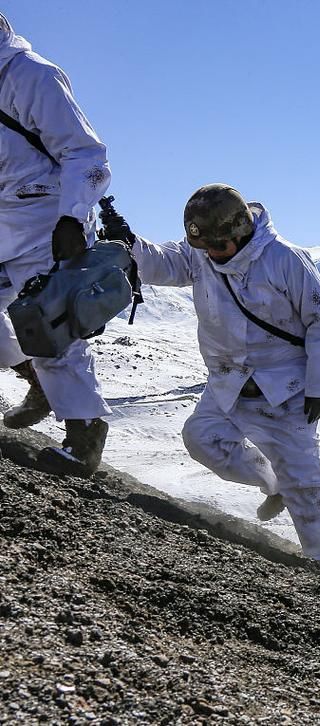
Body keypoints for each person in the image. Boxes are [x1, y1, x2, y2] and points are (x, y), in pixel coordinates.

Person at [133, 184, 320, 565]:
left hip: (285, 387)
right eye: (205, 247)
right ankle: (270, 483)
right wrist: (127, 243)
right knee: (202, 439)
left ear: (241, 232)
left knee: (305, 481)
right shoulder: (200, 255)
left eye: (219, 246)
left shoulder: (285, 260)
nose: (212, 254)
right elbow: (160, 262)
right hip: (228, 380)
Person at [0, 11, 113, 475]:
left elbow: (86, 154)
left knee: (49, 324)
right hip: (4, 219)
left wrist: (71, 216)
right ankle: (36, 380)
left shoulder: (32, 76)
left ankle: (85, 435)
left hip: (46, 219)